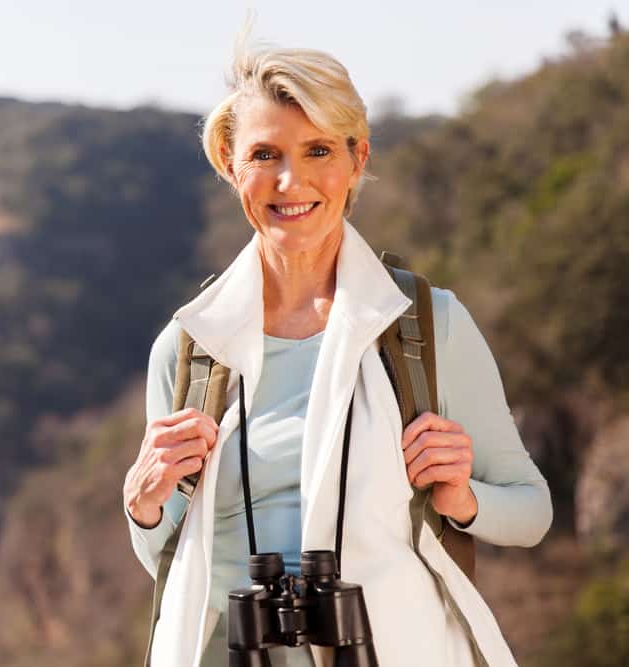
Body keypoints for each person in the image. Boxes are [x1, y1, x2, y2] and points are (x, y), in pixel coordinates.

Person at [122, 37, 552, 667]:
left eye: (318, 149)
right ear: (230, 162)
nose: (289, 181)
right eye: (264, 154)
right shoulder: (190, 348)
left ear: (358, 158)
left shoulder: (429, 328)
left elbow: (532, 510)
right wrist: (143, 501)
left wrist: (463, 498)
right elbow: (170, 552)